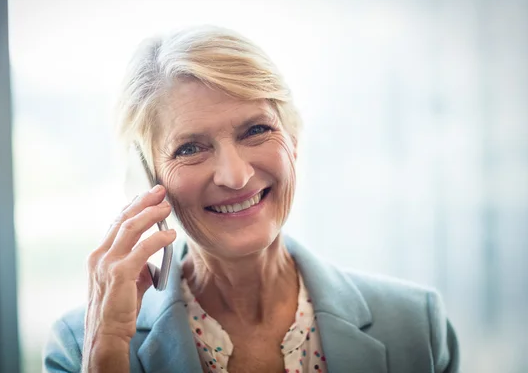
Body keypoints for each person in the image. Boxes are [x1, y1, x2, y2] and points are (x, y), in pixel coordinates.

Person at [43, 25, 460, 373]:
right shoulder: (80, 348)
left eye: (256, 130)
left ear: (293, 140)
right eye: (190, 148)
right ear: (148, 180)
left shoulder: (415, 326)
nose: (236, 175)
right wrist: (106, 355)